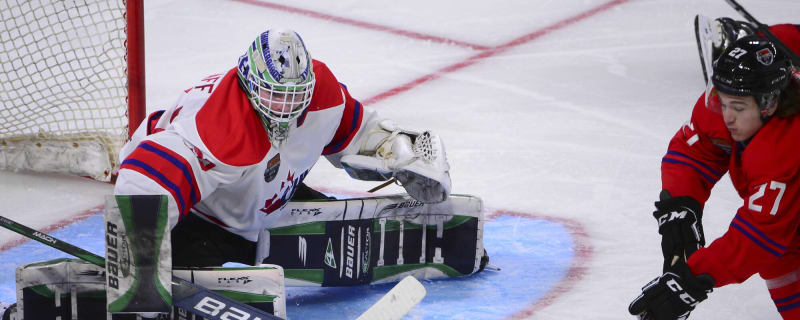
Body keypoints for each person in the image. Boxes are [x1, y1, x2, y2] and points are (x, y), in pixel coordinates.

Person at [105, 28, 452, 314]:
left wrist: (398, 152)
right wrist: (140, 265)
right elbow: (142, 180)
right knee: (183, 272)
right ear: (249, 81)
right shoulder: (219, 125)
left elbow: (358, 133)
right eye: (273, 95)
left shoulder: (322, 94)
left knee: (331, 223)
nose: (285, 108)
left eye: (294, 94)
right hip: (201, 215)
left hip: (269, 196)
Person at [628, 29, 800, 319]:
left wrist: (690, 280)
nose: (726, 116)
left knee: (781, 251)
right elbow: (695, 151)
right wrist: (680, 207)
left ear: (769, 104)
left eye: (737, 107)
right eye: (722, 102)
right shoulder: (736, 101)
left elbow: (758, 239)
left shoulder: (783, 150)